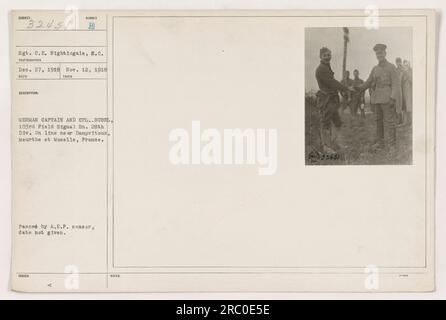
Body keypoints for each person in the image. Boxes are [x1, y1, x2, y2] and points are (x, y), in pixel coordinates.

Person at [356, 44, 402, 154]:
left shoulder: (391, 67)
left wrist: (392, 98)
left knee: (390, 123)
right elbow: (368, 82)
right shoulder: (375, 69)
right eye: (377, 53)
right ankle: (381, 143)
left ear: (385, 53)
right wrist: (357, 88)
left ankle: (392, 146)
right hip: (377, 99)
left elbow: (396, 84)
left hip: (387, 99)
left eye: (380, 53)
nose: (379, 55)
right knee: (378, 122)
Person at [315, 47, 353, 154]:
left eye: (329, 55)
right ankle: (326, 147)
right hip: (326, 100)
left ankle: (337, 143)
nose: (327, 57)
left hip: (332, 100)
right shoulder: (321, 69)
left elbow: (333, 83)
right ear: (320, 57)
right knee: (325, 123)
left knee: (337, 122)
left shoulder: (326, 67)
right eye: (325, 55)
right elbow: (332, 82)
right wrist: (345, 88)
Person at [401, 60, 413, 125]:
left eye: (406, 65)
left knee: (410, 108)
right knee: (404, 108)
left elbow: (412, 80)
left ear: (409, 65)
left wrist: (406, 73)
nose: (405, 66)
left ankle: (412, 123)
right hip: (403, 93)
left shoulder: (411, 72)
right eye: (404, 65)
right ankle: (405, 122)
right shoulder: (403, 73)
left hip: (409, 93)